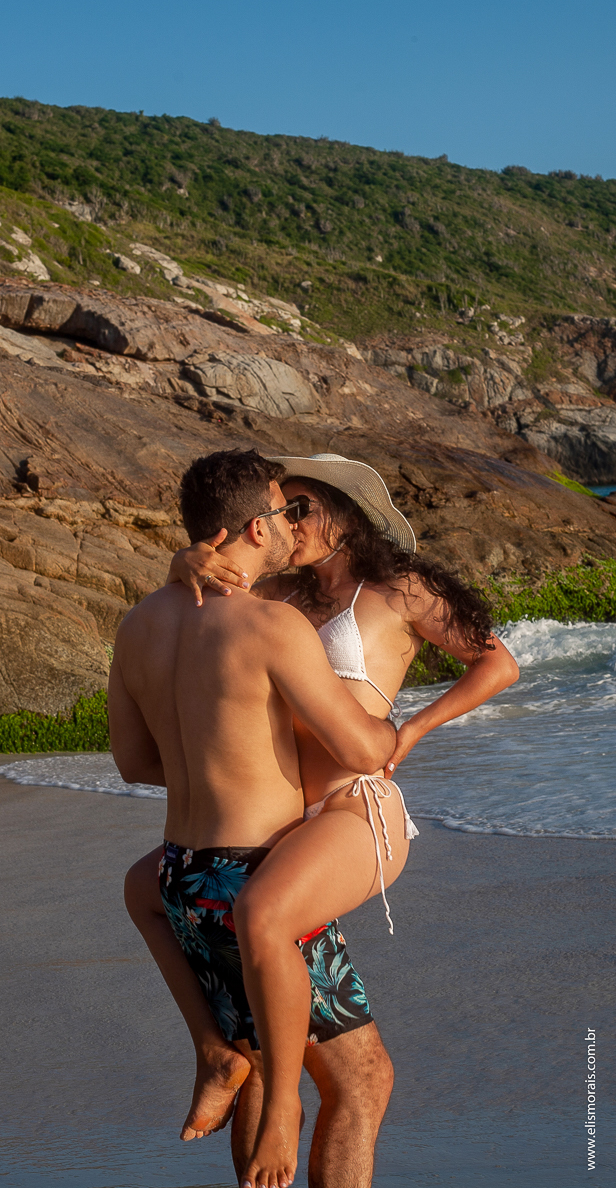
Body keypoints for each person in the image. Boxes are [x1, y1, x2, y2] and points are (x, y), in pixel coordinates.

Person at [124, 452, 520, 1188]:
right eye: (283, 508)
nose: (290, 521)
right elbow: (208, 616)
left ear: (346, 514)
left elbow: (497, 663)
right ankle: (232, 1069)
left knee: (266, 940)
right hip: (268, 823)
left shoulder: (400, 590)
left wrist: (410, 731)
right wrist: (187, 559)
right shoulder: (274, 595)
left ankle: (262, 1095)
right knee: (257, 1037)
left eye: (302, 507)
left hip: (345, 805)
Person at [110, 449, 400, 1188]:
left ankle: (234, 1074)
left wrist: (221, 757)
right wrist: (393, 727)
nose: (291, 524)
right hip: (255, 877)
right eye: (282, 511)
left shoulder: (138, 625)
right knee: (359, 1083)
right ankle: (280, 1114)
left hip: (184, 878)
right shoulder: (271, 625)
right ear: (253, 527)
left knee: (271, 1061)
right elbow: (362, 749)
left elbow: (134, 762)